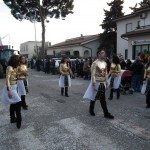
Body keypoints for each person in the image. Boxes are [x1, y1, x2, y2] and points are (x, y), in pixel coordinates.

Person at [83, 49, 114, 119]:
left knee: (103, 99)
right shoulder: (95, 63)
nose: (104, 54)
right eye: (102, 53)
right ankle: (91, 109)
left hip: (102, 83)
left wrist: (106, 83)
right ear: (98, 54)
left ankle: (106, 113)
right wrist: (93, 85)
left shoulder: (105, 63)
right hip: (96, 82)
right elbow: (93, 74)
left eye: (104, 53)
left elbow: (106, 74)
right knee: (94, 97)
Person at [0, 55, 22, 129]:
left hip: (15, 87)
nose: (18, 62)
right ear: (14, 61)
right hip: (11, 88)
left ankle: (12, 119)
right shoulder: (9, 67)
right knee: (18, 102)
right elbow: (7, 79)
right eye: (17, 60)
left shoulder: (14, 68)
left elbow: (16, 77)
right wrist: (9, 90)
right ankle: (19, 121)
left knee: (13, 103)